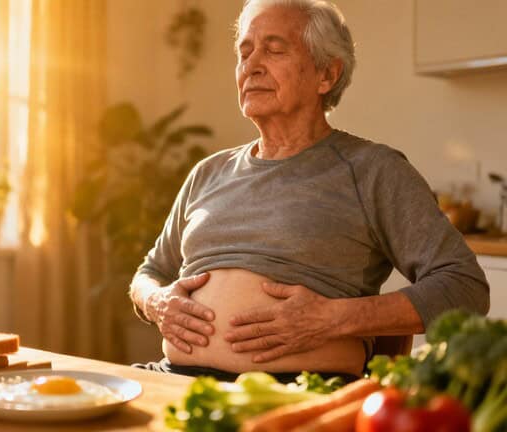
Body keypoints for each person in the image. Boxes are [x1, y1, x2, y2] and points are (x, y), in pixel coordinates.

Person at [128, 0, 489, 383]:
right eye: (244, 52)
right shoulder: (208, 172)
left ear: (326, 74)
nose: (251, 66)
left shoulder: (372, 170)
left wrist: (333, 319)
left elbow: (464, 287)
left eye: (274, 49)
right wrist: (156, 301)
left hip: (301, 395)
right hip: (176, 378)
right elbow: (150, 273)